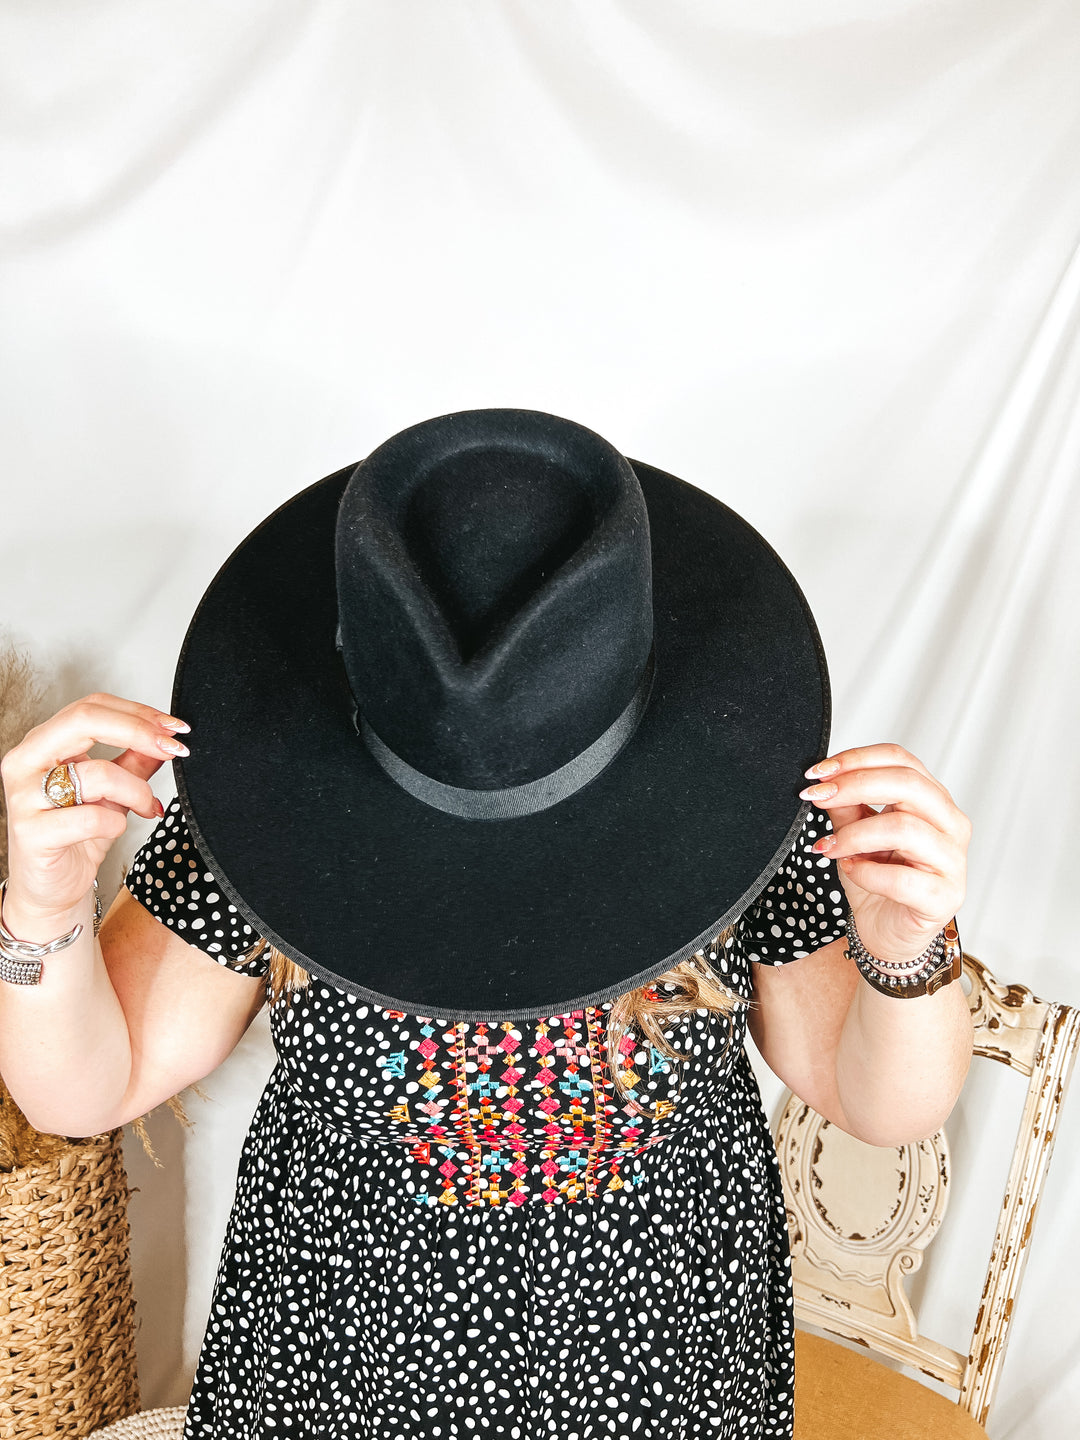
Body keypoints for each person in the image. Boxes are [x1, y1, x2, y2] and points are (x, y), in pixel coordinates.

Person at [0, 411, 973, 1440]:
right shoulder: (271, 804)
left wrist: (907, 951)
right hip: (340, 1374)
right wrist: (43, 909)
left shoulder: (735, 804)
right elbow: (83, 1090)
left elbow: (883, 1103)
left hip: (662, 1377)